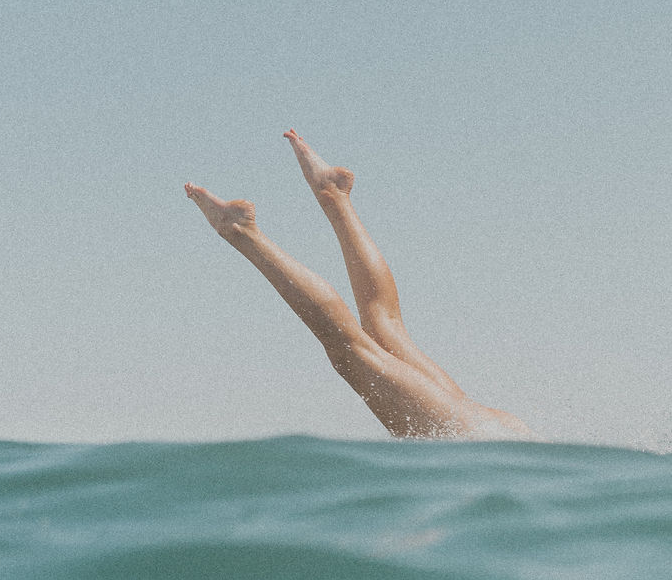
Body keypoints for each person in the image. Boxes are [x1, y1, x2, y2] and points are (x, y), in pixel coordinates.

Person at [185, 130, 536, 440]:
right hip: (469, 438)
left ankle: (333, 194)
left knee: (385, 328)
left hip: (497, 431)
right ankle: (242, 232)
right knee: (350, 352)